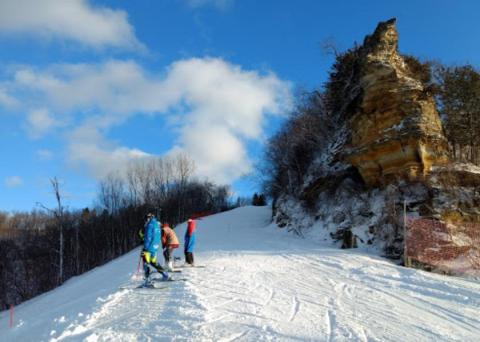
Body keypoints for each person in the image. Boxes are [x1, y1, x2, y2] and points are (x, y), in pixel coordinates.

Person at [139, 213, 169, 284]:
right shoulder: (157, 225)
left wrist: (145, 248)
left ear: (149, 218)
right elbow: (156, 237)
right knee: (153, 262)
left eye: (146, 218)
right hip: (155, 247)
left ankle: (147, 280)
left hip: (148, 248)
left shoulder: (149, 225)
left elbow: (148, 237)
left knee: (145, 262)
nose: (145, 220)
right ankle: (164, 273)